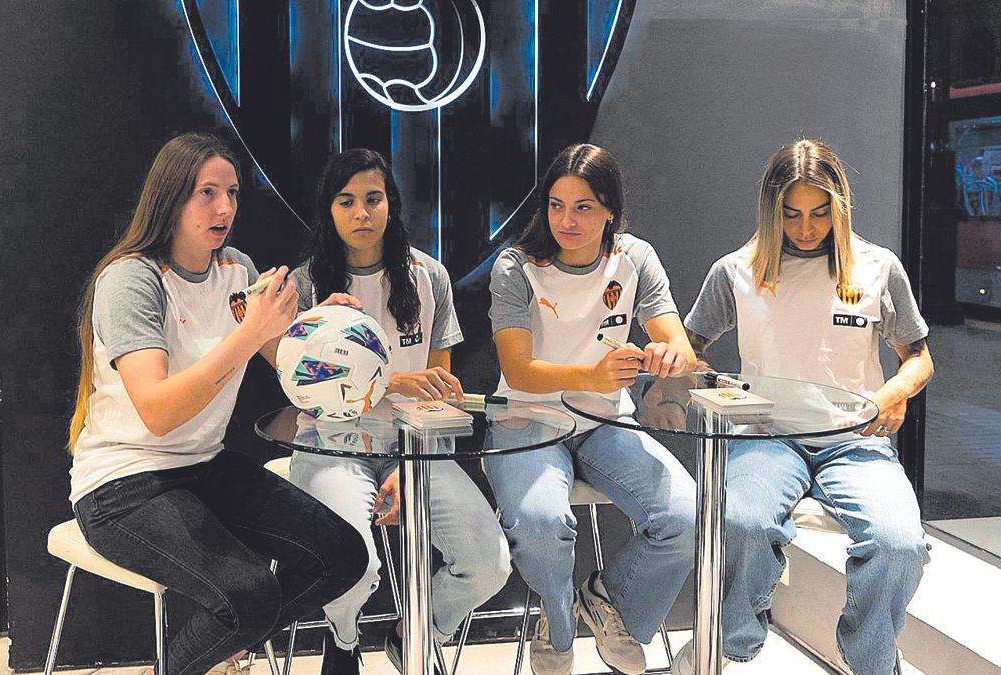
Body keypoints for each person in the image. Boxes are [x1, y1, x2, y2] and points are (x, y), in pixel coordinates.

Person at [67, 133, 368, 675]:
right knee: (249, 595)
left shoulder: (237, 269)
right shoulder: (131, 279)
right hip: (121, 485)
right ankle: (213, 647)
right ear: (169, 199)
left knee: (343, 557)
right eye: (206, 193)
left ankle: (229, 642)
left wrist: (327, 327)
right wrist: (250, 333)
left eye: (232, 192)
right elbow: (158, 412)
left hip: (203, 467)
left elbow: (287, 361)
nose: (224, 207)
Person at [677, 139, 932, 675]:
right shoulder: (736, 271)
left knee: (901, 544)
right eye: (791, 214)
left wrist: (896, 391)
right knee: (742, 523)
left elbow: (919, 358)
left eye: (820, 213)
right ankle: (734, 642)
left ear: (839, 207)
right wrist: (703, 379)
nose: (807, 227)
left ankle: (871, 658)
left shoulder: (877, 267)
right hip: (767, 439)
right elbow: (688, 349)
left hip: (854, 442)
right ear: (772, 211)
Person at [288, 148, 511, 675]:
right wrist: (390, 380)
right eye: (347, 202)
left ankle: (417, 631)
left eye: (373, 199)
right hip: (329, 445)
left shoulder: (428, 278)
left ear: (392, 204)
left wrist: (411, 468)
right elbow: (300, 389)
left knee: (489, 563)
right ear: (330, 210)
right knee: (354, 565)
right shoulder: (305, 285)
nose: (362, 214)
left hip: (414, 446)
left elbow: (437, 391)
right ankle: (342, 641)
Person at [485, 143, 697, 675]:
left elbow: (679, 344)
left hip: (605, 422)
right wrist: (593, 374)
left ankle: (609, 603)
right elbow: (519, 370)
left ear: (610, 209)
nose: (567, 220)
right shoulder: (516, 266)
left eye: (583, 206)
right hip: (524, 418)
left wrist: (670, 354)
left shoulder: (635, 258)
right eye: (557, 205)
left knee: (686, 514)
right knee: (539, 522)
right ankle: (557, 629)